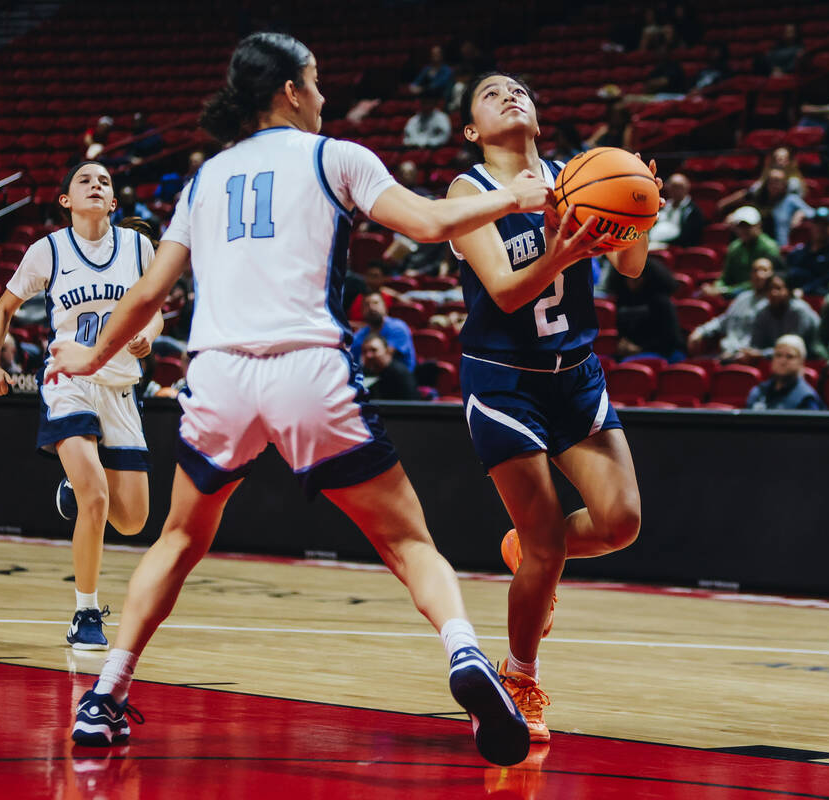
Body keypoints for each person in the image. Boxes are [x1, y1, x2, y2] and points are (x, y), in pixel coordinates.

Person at [47, 33, 555, 766]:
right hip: (307, 370)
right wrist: (516, 195)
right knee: (408, 542)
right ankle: (466, 655)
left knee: (180, 540)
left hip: (218, 375)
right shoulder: (334, 155)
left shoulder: (206, 177)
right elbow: (429, 223)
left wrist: (89, 355)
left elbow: (150, 292)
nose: (323, 96)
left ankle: (105, 696)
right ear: (289, 90)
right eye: (316, 83)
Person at [447, 69, 648, 744]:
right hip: (503, 380)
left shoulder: (581, 173)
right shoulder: (469, 190)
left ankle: (534, 551)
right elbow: (504, 293)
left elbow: (630, 268)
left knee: (621, 523)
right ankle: (520, 678)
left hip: (576, 375)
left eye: (521, 90)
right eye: (491, 93)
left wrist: (639, 208)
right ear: (473, 129)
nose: (511, 96)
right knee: (546, 548)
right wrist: (562, 249)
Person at [0, 161, 163, 652]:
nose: (96, 185)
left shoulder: (137, 246)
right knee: (97, 498)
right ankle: (85, 613)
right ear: (65, 201)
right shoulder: (49, 250)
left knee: (133, 521)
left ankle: (72, 487)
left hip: (121, 387)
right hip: (70, 382)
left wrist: (147, 333)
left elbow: (156, 310)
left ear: (114, 201)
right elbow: (2, 310)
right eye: (85, 180)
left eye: (104, 181)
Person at [688, 256, 774, 360]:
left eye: (764, 270)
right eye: (755, 270)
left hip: (748, 357)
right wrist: (700, 331)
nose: (759, 275)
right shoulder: (743, 297)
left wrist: (737, 353)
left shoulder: (772, 303)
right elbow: (723, 321)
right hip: (726, 353)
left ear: (772, 275)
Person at [749, 272, 828, 359]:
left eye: (778, 288)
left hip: (810, 359)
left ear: (789, 291)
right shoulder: (762, 311)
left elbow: (791, 348)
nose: (773, 293)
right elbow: (756, 344)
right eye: (769, 289)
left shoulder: (799, 311)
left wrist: (761, 354)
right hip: (776, 359)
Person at [704, 206, 779, 297]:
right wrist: (717, 287)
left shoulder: (769, 247)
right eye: (740, 226)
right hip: (733, 295)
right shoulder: (734, 248)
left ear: (759, 225)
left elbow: (763, 281)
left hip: (759, 295)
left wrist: (726, 291)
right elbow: (725, 277)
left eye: (748, 226)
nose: (744, 230)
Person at [745, 334, 825, 410]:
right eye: (778, 355)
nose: (782, 361)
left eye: (789, 356)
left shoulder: (806, 398)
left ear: (801, 362)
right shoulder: (758, 392)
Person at [785, 207, 829, 295]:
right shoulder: (798, 253)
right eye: (817, 224)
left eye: (825, 224)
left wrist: (804, 290)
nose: (820, 228)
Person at [351, 290, 416, 369]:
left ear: (385, 306)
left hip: (397, 377)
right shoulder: (360, 334)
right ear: (362, 310)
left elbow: (382, 360)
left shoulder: (397, 328)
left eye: (376, 303)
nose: (371, 308)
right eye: (366, 305)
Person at [749, 167, 813, 247]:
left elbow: (812, 213)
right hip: (759, 247)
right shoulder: (759, 200)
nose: (774, 185)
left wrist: (801, 213)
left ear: (784, 184)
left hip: (780, 247)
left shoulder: (791, 199)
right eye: (771, 181)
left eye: (778, 181)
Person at [648, 173, 705, 249]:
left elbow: (691, 238)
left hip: (674, 247)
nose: (674, 190)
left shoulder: (693, 211)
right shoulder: (663, 206)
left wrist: (669, 245)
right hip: (652, 242)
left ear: (686, 188)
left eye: (678, 187)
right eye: (672, 187)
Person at [361, 333, 421, 400]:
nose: (368, 355)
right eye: (364, 351)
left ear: (387, 351)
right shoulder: (362, 373)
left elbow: (412, 405)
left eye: (374, 350)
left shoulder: (400, 373)